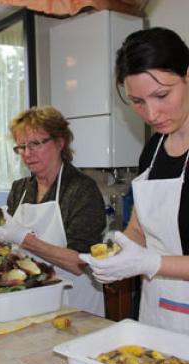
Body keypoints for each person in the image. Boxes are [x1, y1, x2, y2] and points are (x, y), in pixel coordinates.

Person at [79, 27, 189, 335]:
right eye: (137, 101)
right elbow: (139, 229)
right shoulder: (153, 150)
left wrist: (151, 264)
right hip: (158, 311)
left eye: (162, 95)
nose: (152, 113)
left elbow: (149, 258)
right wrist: (117, 255)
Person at [0, 106, 106, 316]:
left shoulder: (81, 189)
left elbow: (78, 263)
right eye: (21, 147)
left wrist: (22, 237)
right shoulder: (20, 189)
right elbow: (4, 253)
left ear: (60, 142)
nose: (27, 154)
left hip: (74, 304)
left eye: (35, 144)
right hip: (30, 300)